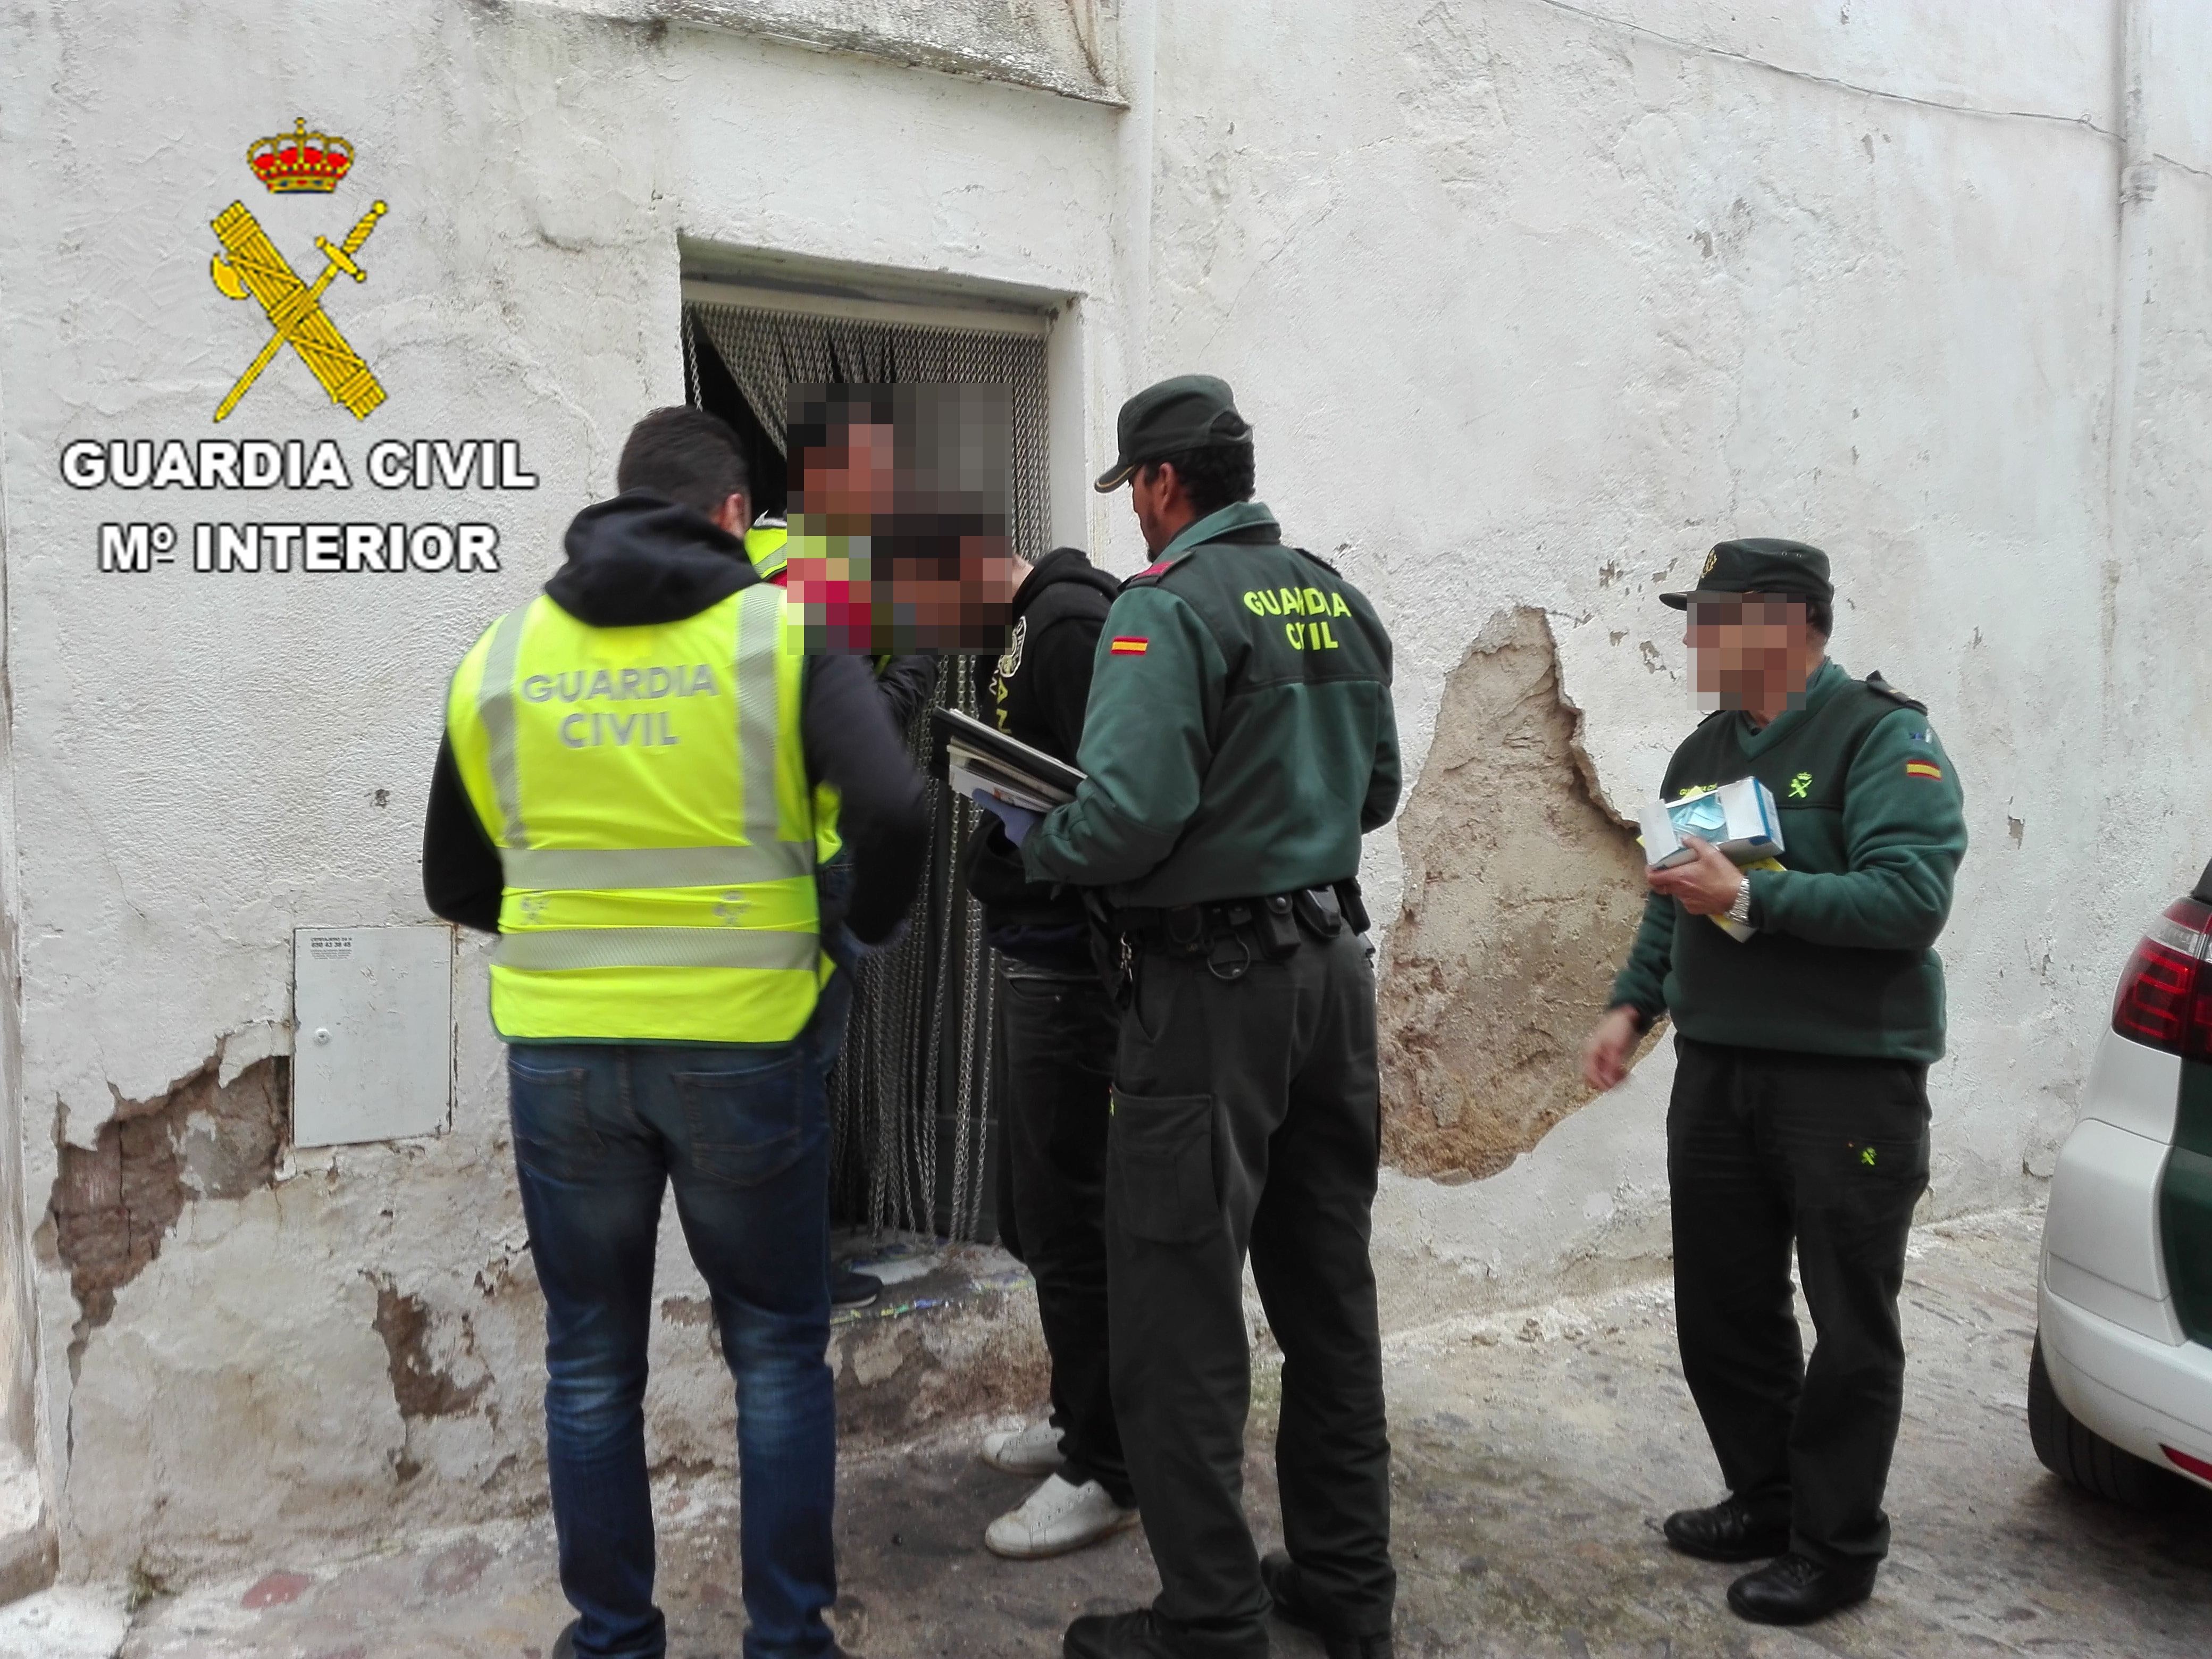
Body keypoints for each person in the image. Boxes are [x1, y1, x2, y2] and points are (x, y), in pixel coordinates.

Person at [423, 405, 928, 1659]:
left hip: (563, 1060)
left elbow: (454, 882)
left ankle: (611, 1638)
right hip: (741, 1049)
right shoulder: (782, 635)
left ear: (619, 500)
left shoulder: (502, 655)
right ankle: (786, 1641)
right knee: (776, 1356)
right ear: (732, 515)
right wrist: (851, 934)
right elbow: (894, 806)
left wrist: (578, 940)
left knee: (592, 1364)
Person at [1020, 376, 1401, 1659]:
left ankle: (1213, 1618)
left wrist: (1037, 836)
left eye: (1135, 487)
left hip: (1211, 1000)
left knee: (1174, 1313)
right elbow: (1377, 791)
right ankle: (1346, 1585)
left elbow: (1127, 816)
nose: (1134, 511)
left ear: (1164, 482)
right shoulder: (1333, 596)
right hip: (1332, 977)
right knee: (1327, 1295)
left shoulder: (1165, 608)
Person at [1579, 539, 1967, 1627]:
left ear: (1785, 622)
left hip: (1846, 1081)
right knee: (1724, 1306)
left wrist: (1755, 899)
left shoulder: (1881, 739)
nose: (1692, 637)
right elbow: (1672, 901)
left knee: (1849, 1321)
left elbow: (1909, 899)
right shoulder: (1704, 751)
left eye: (1711, 617)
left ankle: (1836, 1548)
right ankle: (1767, 1498)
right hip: (1719, 1071)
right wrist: (1632, 1008)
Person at [958, 542, 1133, 1559]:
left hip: (1070, 968)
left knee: (1068, 1221)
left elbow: (1106, 805)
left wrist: (1016, 835)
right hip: (1037, 956)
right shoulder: (1022, 629)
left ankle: (1108, 1465)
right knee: (1033, 1214)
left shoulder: (1065, 625)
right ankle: (1081, 1422)